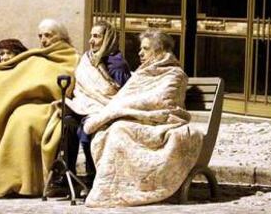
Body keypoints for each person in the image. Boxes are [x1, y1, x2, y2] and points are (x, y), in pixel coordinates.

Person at [0, 19, 79, 198]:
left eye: (48, 35)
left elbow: (57, 83)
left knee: (23, 121)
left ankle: (24, 183)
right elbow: (17, 75)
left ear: (62, 37)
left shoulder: (71, 57)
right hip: (24, 101)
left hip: (48, 105)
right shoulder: (37, 55)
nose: (43, 40)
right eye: (40, 36)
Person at [81, 28, 204, 207]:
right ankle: (117, 187)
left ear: (160, 50)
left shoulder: (175, 75)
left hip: (160, 124)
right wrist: (116, 110)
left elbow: (161, 100)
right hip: (141, 121)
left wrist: (124, 109)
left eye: (146, 49)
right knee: (107, 130)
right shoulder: (141, 73)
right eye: (141, 48)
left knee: (119, 129)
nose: (140, 53)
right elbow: (124, 97)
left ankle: (118, 191)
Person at [57, 20, 130, 189]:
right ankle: (67, 176)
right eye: (91, 36)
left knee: (88, 128)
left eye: (96, 36)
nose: (91, 41)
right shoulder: (87, 59)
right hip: (84, 107)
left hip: (106, 110)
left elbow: (120, 95)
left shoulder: (117, 63)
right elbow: (82, 88)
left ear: (108, 39)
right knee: (67, 123)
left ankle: (93, 178)